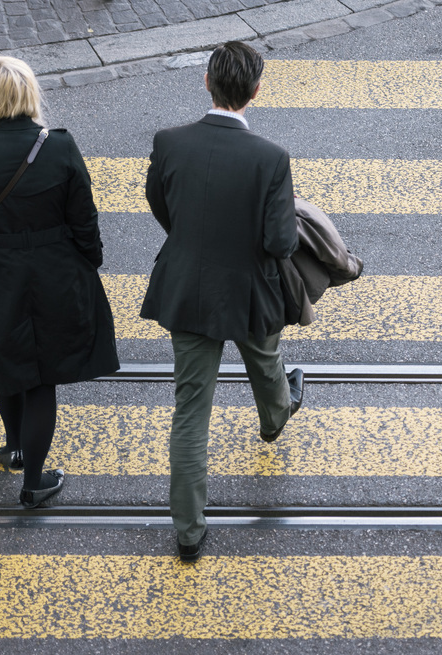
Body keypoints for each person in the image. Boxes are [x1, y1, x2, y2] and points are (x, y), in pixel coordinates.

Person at [141, 41, 305, 562]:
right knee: (264, 355)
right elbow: (281, 243)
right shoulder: (271, 158)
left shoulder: (169, 142)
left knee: (191, 410)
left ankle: (188, 531)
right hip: (250, 289)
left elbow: (158, 202)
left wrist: (191, 238)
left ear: (206, 82)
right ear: (257, 90)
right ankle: (275, 414)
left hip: (187, 288)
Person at [0, 56, 119, 507]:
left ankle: (14, 446)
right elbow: (84, 217)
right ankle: (35, 482)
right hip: (54, 274)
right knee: (42, 377)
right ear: (29, 94)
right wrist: (89, 264)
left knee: (5, 362)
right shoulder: (59, 146)